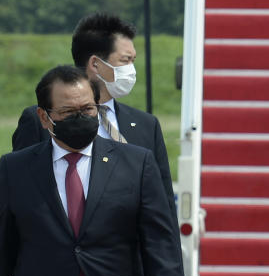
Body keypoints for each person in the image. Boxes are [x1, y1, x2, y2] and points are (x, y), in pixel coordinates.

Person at [0, 66, 182, 276]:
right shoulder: (14, 169)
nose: (81, 117)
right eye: (68, 112)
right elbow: (4, 249)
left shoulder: (136, 164)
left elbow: (160, 243)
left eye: (87, 109)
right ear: (44, 117)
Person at [12, 13, 177, 223]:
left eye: (133, 61)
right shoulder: (40, 121)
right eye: (125, 61)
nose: (131, 70)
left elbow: (164, 209)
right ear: (95, 64)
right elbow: (19, 197)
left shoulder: (146, 125)